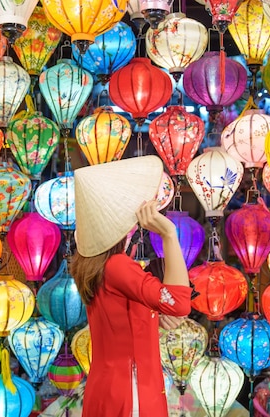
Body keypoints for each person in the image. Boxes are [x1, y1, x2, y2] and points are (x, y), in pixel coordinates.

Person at [70, 155, 193, 417]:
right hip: (131, 393)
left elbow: (120, 315)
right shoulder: (117, 265)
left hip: (107, 388)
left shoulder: (94, 263)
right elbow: (180, 302)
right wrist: (169, 234)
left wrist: (153, 313)